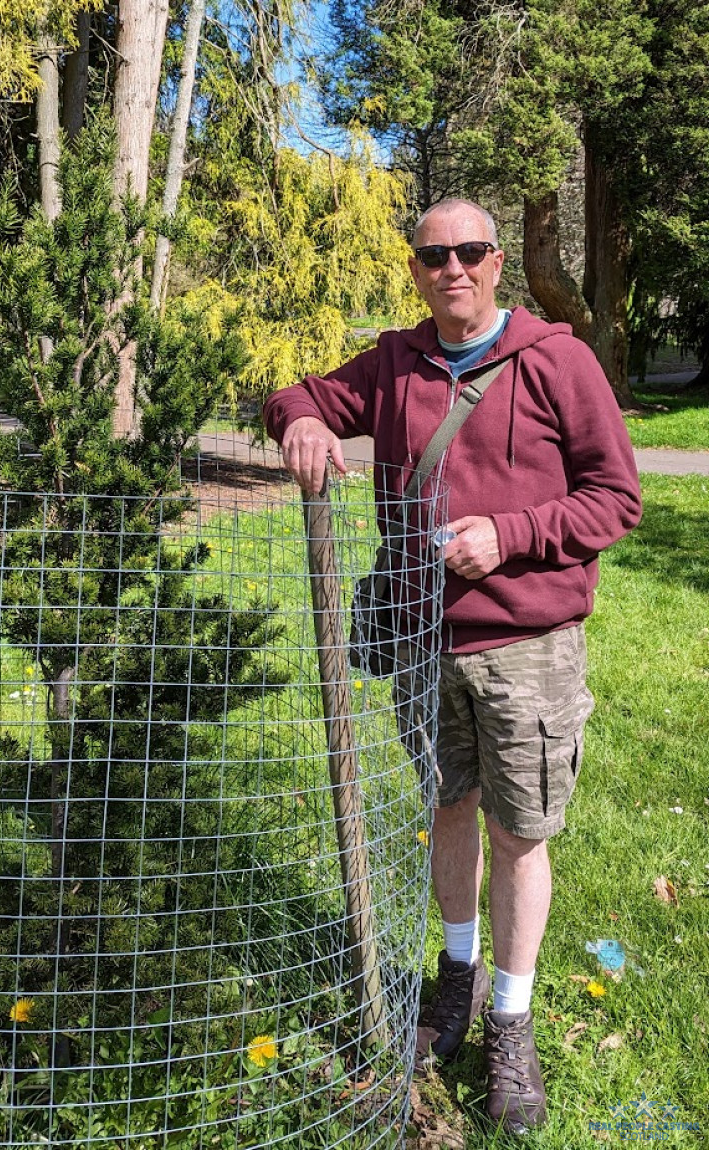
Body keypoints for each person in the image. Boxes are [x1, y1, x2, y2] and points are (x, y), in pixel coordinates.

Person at [263, 198, 642, 1134]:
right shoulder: (395, 362)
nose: (453, 269)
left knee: (519, 835)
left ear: (498, 261)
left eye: (469, 251)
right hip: (423, 643)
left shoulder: (558, 362)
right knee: (448, 809)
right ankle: (457, 976)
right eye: (434, 256)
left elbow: (616, 498)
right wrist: (300, 423)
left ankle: (511, 1022)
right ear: (416, 269)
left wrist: (511, 535)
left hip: (527, 649)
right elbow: (297, 397)